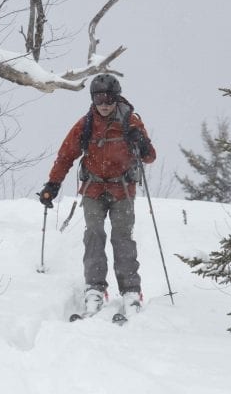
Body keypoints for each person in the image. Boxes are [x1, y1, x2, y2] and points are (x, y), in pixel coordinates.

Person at [39, 74, 156, 316]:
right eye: (99, 97)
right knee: (94, 234)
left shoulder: (130, 121)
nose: (104, 103)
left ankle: (131, 290)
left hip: (122, 189)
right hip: (93, 188)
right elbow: (66, 155)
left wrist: (141, 141)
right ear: (93, 99)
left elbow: (149, 157)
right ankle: (95, 287)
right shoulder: (86, 124)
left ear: (117, 97)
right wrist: (53, 184)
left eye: (109, 97)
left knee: (122, 237)